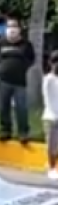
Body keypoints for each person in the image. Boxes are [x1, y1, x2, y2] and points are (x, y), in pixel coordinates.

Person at [0, 17, 35, 143]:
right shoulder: (0, 43)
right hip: (3, 81)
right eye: (9, 26)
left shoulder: (26, 44)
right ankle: (5, 130)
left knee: (21, 108)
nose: (12, 29)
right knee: (3, 107)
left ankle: (23, 133)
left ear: (19, 29)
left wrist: (22, 67)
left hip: (20, 82)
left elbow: (31, 59)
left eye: (14, 26)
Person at [43, 51, 58, 180]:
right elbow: (48, 98)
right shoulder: (49, 79)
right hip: (51, 116)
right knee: (52, 145)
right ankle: (51, 167)